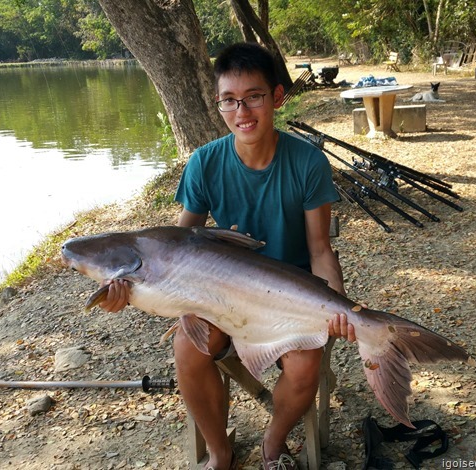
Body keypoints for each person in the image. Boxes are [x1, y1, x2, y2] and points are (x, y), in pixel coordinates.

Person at [99, 42, 356, 470]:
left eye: (254, 97)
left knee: (306, 366)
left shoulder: (307, 162)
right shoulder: (204, 162)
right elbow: (174, 247)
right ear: (218, 103)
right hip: (218, 292)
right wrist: (131, 291)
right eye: (230, 101)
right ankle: (220, 453)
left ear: (277, 96)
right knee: (188, 349)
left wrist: (339, 307)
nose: (243, 112)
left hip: (287, 295)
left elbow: (320, 250)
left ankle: (273, 443)